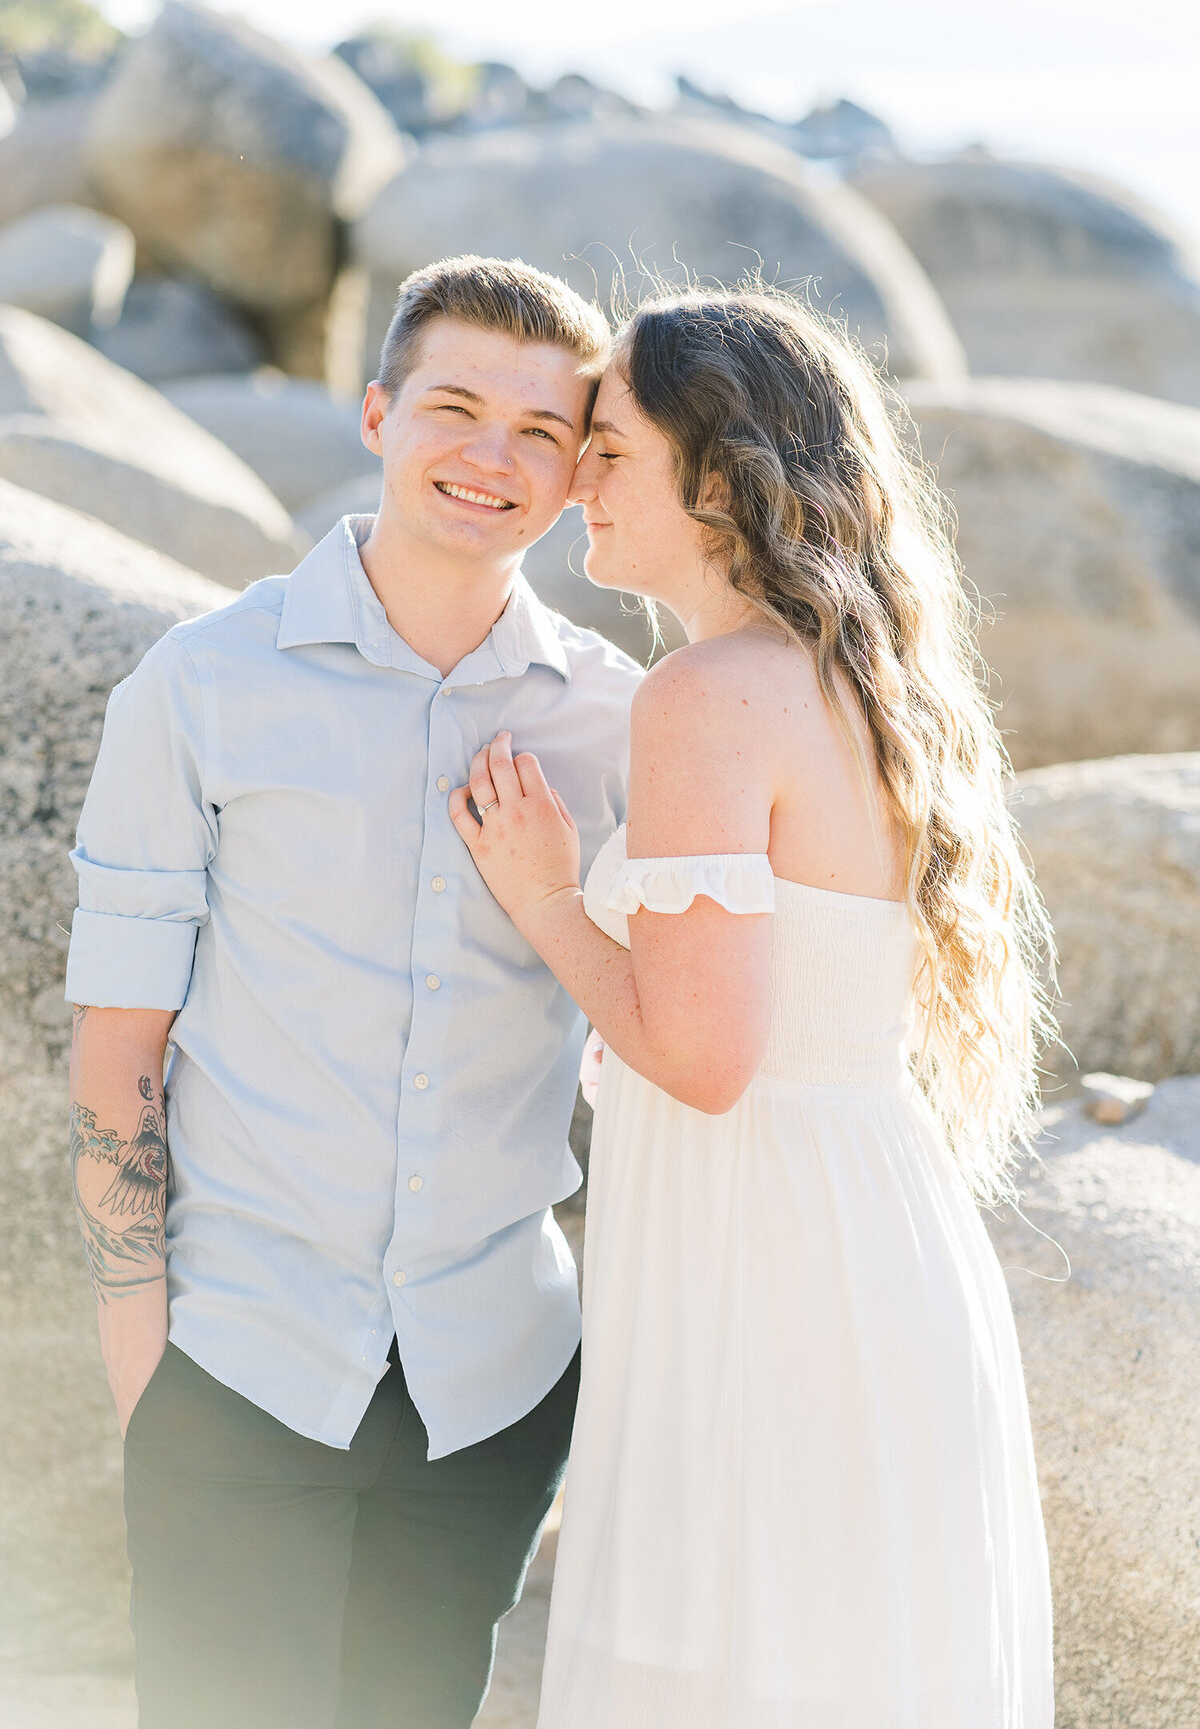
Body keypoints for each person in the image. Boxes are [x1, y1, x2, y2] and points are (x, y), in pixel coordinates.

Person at [451, 286, 1056, 1727]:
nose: (570, 483)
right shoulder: (858, 680)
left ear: (716, 479)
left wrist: (542, 898)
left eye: (607, 451)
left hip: (763, 1244)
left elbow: (704, 1058)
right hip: (862, 1226)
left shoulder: (707, 695)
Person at [64, 255, 643, 1729]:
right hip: (239, 1366)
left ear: (582, 473)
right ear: (379, 411)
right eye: (455, 406)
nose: (490, 457)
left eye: (540, 431)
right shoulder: (200, 687)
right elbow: (121, 1044)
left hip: (496, 1385)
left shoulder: (618, 721)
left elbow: (654, 1022)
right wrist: (152, 1376)